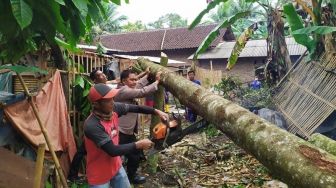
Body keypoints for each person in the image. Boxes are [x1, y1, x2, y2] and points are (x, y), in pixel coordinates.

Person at [84, 83, 168, 187]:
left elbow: (136, 108)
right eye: (107, 100)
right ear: (96, 104)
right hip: (99, 174)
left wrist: (156, 111)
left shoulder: (113, 109)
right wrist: (138, 145)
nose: (112, 102)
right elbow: (112, 150)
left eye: (112, 98)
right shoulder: (92, 125)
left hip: (116, 166)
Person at [113, 69, 161, 184]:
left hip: (127, 130)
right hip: (121, 130)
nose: (135, 82)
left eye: (135, 79)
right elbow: (141, 92)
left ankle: (129, 176)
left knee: (133, 154)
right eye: (132, 79)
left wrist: (148, 76)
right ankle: (125, 178)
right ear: (124, 81)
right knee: (126, 155)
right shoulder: (123, 90)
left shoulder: (127, 87)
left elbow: (139, 85)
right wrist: (157, 82)